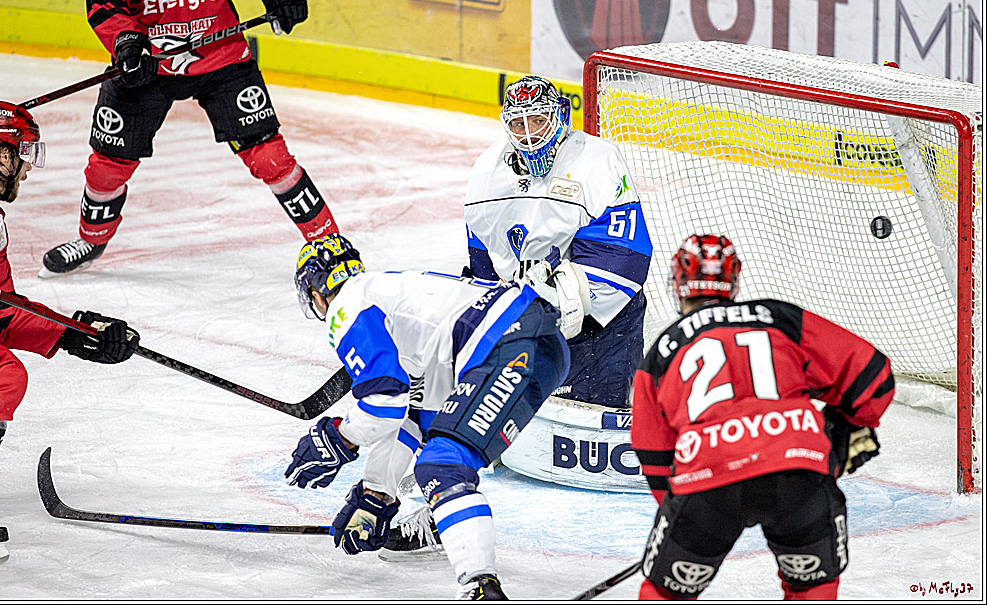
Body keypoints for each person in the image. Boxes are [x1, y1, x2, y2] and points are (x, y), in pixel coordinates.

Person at [283, 234, 581, 599]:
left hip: (508, 343)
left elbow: (383, 401)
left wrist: (339, 439)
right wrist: (377, 493)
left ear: (315, 291)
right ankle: (461, 545)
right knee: (445, 449)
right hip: (542, 346)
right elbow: (411, 416)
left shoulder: (347, 305)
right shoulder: (393, 296)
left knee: (442, 466)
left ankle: (481, 588)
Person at [41, 0, 338, 276]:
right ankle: (92, 240)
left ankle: (330, 245)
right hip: (147, 62)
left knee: (271, 157)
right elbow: (103, 4)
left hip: (220, 54)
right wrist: (126, 43)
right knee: (107, 167)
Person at [630, 234, 894, 600]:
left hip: (709, 480)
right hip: (799, 472)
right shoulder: (779, 317)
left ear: (678, 284)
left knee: (665, 594)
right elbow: (873, 376)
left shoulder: (661, 351)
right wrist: (845, 430)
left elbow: (653, 452)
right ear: (734, 280)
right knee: (813, 588)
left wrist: (681, 514)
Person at [0, 100, 140, 565]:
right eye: (21, 154)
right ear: (0, 151)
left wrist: (74, 333)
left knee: (1, 374)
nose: (24, 170)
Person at [463, 75, 652, 409]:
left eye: (538, 120)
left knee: (594, 425)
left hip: (602, 324)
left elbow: (625, 262)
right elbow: (483, 266)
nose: (530, 133)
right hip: (528, 318)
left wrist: (547, 312)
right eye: (518, 123)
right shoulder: (485, 176)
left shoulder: (597, 162)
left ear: (561, 116)